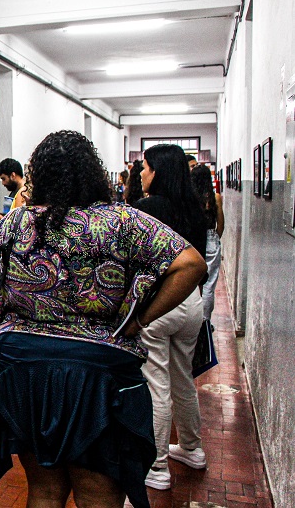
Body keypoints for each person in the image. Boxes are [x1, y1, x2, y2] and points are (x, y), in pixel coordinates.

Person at [0, 131, 206, 508]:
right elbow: (191, 263)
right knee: (98, 494)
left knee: (44, 490)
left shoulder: (14, 224)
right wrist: (139, 318)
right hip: (99, 374)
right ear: (92, 172)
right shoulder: (124, 222)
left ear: (41, 174)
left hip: (25, 369)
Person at [133, 144, 209, 491]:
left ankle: (158, 466)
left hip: (160, 303)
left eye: (145, 168)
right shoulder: (193, 207)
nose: (142, 174)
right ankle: (192, 448)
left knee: (156, 384)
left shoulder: (146, 210)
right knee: (183, 378)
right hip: (191, 302)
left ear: (158, 171)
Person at [191, 164, 225, 324]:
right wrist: (214, 239)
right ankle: (205, 321)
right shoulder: (215, 197)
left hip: (194, 240)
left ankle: (194, 320)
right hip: (211, 238)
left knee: (193, 284)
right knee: (209, 284)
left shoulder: (190, 197)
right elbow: (221, 224)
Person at [0, 158, 26, 222]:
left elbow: (18, 221)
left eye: (4, 179)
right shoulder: (14, 192)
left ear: (12, 175)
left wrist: (2, 220)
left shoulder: (24, 193)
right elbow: (11, 214)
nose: (3, 183)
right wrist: (0, 214)